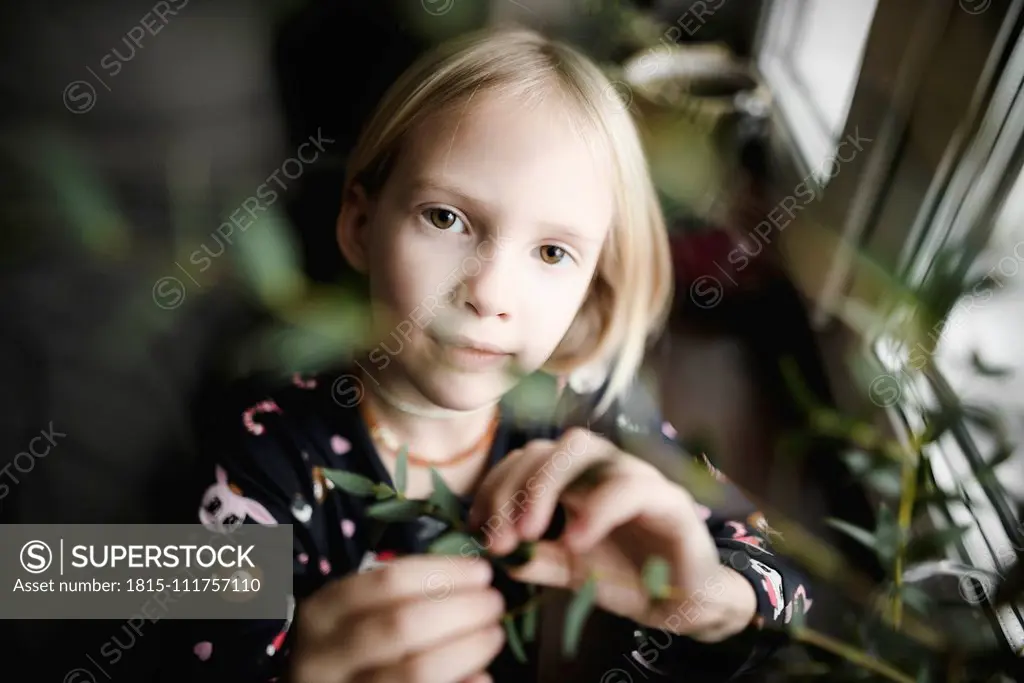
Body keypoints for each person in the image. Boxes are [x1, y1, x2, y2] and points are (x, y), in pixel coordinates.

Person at [171, 27, 811, 683]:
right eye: (446, 217)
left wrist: (708, 593)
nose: (489, 293)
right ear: (361, 225)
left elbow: (789, 584)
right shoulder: (265, 455)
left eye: (552, 252)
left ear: (592, 284)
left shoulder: (586, 409)